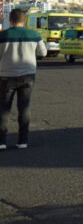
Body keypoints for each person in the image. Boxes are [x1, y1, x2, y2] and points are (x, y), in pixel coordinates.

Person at [0, 8, 47, 150]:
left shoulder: (2, 36)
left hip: (6, 76)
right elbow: (43, 53)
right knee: (24, 107)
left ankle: (1, 141)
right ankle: (22, 141)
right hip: (27, 76)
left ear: (10, 20)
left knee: (3, 109)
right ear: (24, 20)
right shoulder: (34, 34)